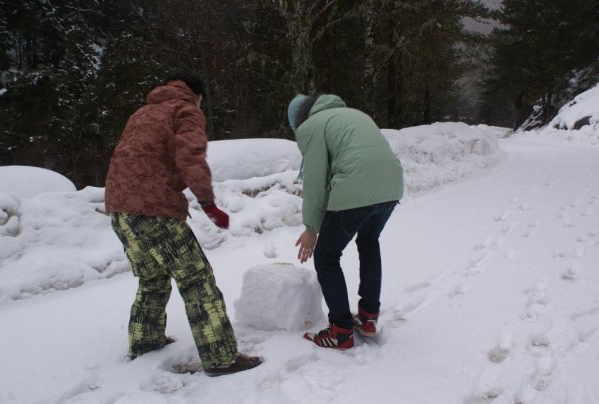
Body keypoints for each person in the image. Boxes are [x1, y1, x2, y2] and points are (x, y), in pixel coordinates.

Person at [105, 72, 261, 376]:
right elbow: (190, 156)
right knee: (196, 279)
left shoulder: (142, 112)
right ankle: (220, 357)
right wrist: (207, 202)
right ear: (197, 95)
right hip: (154, 209)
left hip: (118, 208)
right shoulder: (185, 110)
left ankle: (145, 341)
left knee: (152, 278)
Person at [288, 93, 404, 349]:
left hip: (357, 185)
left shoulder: (311, 126)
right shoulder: (354, 114)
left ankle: (340, 331)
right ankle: (368, 318)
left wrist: (311, 228)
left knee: (326, 257)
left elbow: (315, 182)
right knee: (369, 242)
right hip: (392, 185)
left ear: (299, 120)